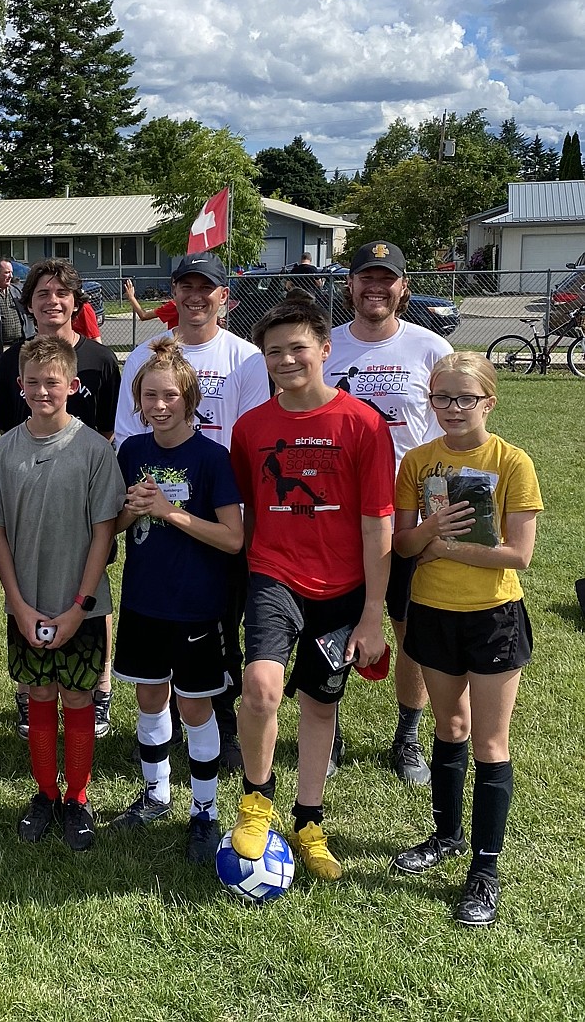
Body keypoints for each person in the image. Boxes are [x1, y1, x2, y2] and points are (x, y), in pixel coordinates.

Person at [228, 292, 394, 881]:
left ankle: (308, 821)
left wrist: (373, 612)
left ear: (325, 350)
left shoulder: (364, 424)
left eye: (298, 348)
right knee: (261, 687)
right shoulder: (250, 428)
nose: (287, 361)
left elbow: (378, 521)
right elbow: (250, 503)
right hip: (274, 572)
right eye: (275, 353)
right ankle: (255, 802)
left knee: (321, 705)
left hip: (345, 587)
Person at [390, 353, 541, 927]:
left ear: (488, 402)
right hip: (432, 610)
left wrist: (445, 547)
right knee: (448, 727)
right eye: (441, 398)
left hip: (492, 615)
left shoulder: (511, 462)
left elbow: (518, 555)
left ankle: (484, 870)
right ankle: (446, 836)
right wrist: (430, 532)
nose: (452, 409)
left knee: (488, 742)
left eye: (465, 399)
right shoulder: (419, 463)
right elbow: (403, 546)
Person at [115, 254, 269, 770]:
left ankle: (216, 719)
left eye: (208, 288)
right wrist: (142, 502)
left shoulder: (245, 357)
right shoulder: (142, 357)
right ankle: (168, 748)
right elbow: (128, 434)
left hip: (220, 502)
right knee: (162, 630)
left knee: (220, 619)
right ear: (173, 293)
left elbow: (248, 441)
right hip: (155, 520)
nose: (196, 297)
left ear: (224, 296)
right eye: (186, 287)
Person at [0, 335, 123, 852]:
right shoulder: (2, 453)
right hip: (27, 604)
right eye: (33, 382)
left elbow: (104, 531)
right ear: (19, 387)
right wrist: (17, 605)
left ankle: (78, 797)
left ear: (73, 386)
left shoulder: (93, 451)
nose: (43, 391)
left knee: (79, 695)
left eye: (53, 383)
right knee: (39, 694)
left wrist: (80, 605)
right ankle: (45, 793)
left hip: (80, 606)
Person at [109, 339, 244, 865]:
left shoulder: (212, 458)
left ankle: (205, 811)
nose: (158, 405)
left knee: (194, 705)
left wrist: (169, 511)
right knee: (148, 698)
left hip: (195, 605)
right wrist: (132, 509)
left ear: (190, 401)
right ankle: (156, 793)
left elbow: (233, 538)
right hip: (144, 600)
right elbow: (118, 523)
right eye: (149, 396)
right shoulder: (133, 452)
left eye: (169, 396)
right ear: (138, 400)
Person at [326, 240, 454, 785]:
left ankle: (406, 738)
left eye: (387, 278)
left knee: (408, 629)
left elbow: (456, 427)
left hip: (405, 512)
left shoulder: (430, 348)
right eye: (365, 278)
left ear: (403, 286)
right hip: (335, 509)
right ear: (350, 285)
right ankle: (325, 732)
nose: (375, 287)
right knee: (328, 627)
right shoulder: (325, 347)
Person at [0, 258, 121, 739]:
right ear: (29, 302)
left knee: (91, 584)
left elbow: (110, 431)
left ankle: (99, 684)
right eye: (42, 293)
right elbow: (9, 426)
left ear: (75, 301)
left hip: (85, 491)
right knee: (32, 576)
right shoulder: (12, 362)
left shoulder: (101, 360)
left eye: (61, 293)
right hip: (32, 484)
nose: (52, 301)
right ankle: (29, 694)